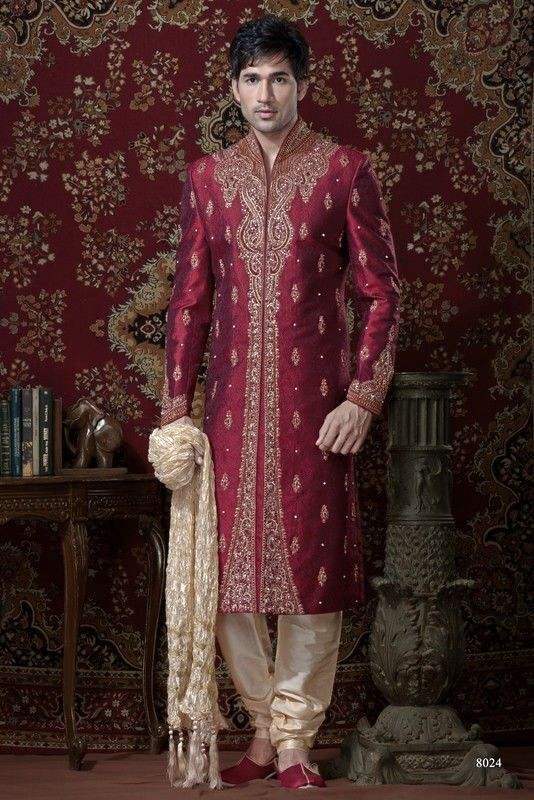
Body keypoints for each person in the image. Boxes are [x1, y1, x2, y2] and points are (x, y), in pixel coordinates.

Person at [160, 13, 401, 790]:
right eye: (252, 79)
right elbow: (189, 302)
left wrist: (361, 398)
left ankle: (296, 739)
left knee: (311, 576)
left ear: (302, 85)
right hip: (230, 413)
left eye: (280, 78)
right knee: (224, 576)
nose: (265, 94)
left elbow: (381, 293)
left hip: (316, 410)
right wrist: (175, 411)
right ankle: (262, 730)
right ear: (234, 89)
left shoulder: (343, 170)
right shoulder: (207, 179)